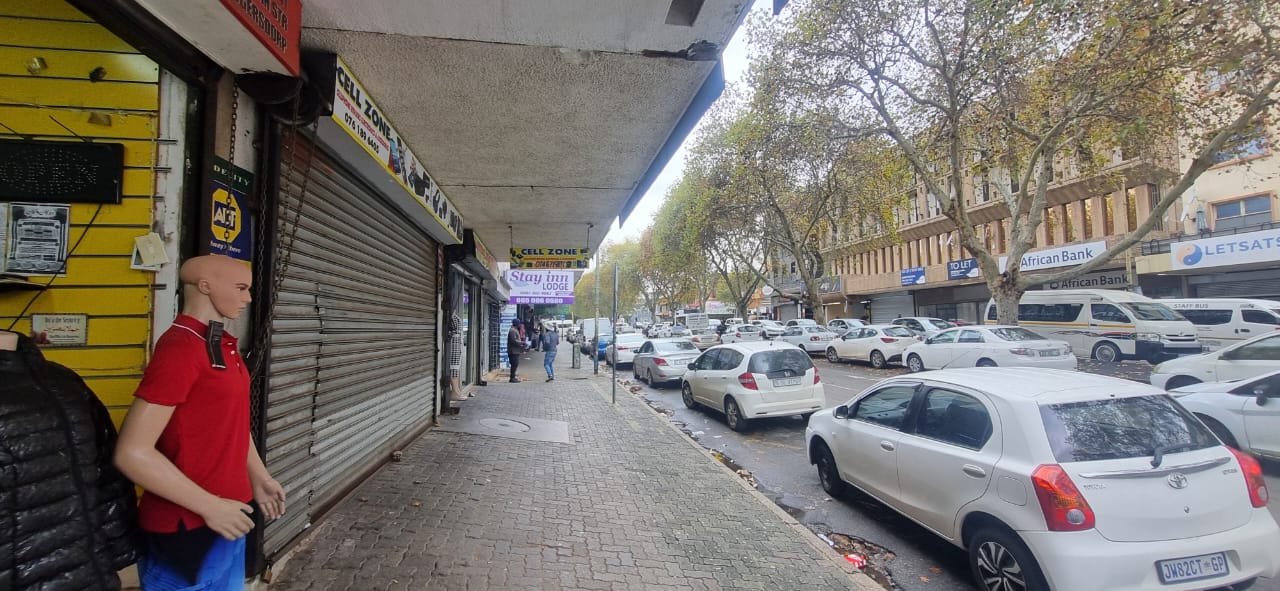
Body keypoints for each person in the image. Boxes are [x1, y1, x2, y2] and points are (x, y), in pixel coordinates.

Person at [115, 255, 286, 591]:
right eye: (240, 287)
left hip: (231, 517)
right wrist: (210, 506)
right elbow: (132, 453)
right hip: (187, 525)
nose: (248, 298)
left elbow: (231, 423)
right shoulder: (180, 348)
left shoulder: (222, 345)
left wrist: (258, 476)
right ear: (205, 286)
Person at [507, 318, 525, 382]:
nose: (520, 325)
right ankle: (512, 378)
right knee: (514, 364)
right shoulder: (513, 331)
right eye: (519, 323)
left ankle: (513, 377)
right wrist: (521, 343)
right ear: (517, 324)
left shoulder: (515, 330)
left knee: (515, 364)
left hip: (515, 350)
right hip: (513, 351)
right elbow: (513, 340)